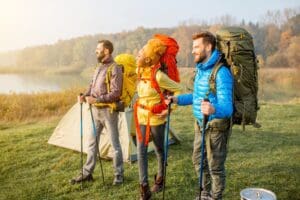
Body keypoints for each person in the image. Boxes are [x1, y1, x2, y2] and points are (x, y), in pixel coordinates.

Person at [170, 31, 233, 200]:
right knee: (198, 161)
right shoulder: (200, 71)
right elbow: (196, 97)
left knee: (215, 167)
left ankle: (215, 197)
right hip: (199, 124)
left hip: (215, 128)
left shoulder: (221, 73)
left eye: (196, 47)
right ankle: (204, 194)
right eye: (193, 47)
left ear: (209, 46)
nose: (193, 51)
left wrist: (213, 109)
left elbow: (228, 108)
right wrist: (176, 99)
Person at [71, 40, 124, 185]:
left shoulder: (116, 68)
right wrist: (84, 95)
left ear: (106, 51)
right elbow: (92, 86)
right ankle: (87, 173)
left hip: (109, 112)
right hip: (95, 112)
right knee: (92, 143)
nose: (96, 51)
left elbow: (116, 93)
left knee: (115, 145)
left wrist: (97, 100)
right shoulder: (99, 67)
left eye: (98, 49)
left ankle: (118, 176)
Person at [135, 38, 182, 200]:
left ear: (148, 58)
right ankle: (144, 188)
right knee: (141, 151)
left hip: (156, 119)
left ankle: (160, 179)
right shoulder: (140, 71)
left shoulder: (159, 76)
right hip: (141, 117)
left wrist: (169, 110)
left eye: (140, 52)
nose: (137, 54)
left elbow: (179, 90)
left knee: (159, 150)